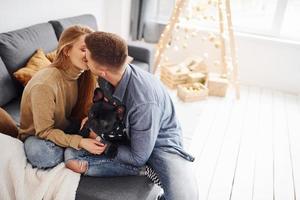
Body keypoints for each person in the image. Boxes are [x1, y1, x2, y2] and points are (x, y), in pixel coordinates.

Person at [65, 31, 199, 200]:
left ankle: (144, 171)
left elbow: (137, 156)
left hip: (160, 144)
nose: (85, 57)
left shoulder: (144, 102)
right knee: (70, 154)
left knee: (185, 198)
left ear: (103, 70)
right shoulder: (106, 77)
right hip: (124, 134)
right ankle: (141, 169)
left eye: (88, 55)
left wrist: (100, 141)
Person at [18, 25, 106, 169]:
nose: (89, 55)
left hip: (66, 126)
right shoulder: (45, 84)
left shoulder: (85, 75)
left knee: (106, 130)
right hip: (38, 135)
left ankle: (70, 149)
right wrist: (80, 142)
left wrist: (89, 120)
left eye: (92, 50)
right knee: (43, 155)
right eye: (84, 49)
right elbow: (44, 131)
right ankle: (71, 151)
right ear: (66, 51)